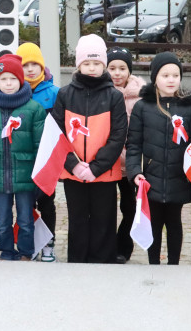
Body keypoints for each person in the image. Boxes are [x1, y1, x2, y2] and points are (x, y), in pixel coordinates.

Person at [126, 52, 191, 265]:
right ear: (155, 78)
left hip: (178, 178)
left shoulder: (189, 109)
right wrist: (135, 172)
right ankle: (154, 264)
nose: (171, 80)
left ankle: (174, 265)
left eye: (175, 75)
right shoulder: (142, 107)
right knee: (153, 223)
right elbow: (133, 144)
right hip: (150, 178)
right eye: (165, 75)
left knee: (174, 222)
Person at [52, 34, 127, 264]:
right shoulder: (65, 94)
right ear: (78, 65)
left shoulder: (114, 96)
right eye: (87, 63)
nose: (92, 68)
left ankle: (103, 261)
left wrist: (96, 167)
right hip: (74, 174)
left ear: (103, 64)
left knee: (103, 219)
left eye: (96, 63)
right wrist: (74, 166)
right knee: (77, 219)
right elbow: (57, 134)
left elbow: (118, 135)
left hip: (103, 174)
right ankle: (77, 261)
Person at [0, 54, 46, 261]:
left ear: (21, 80)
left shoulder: (34, 109)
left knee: (25, 219)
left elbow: (40, 145)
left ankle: (25, 251)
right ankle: (6, 251)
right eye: (4, 79)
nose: (8, 83)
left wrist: (39, 177)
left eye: (13, 79)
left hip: (26, 177)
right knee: (3, 220)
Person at [18, 41, 59, 262]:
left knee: (46, 203)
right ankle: (30, 243)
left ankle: (49, 245)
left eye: (35, 64)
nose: (31, 69)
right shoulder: (13, 90)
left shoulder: (54, 93)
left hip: (45, 162)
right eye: (25, 64)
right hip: (22, 159)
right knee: (25, 205)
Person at [106, 46, 144, 264]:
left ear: (129, 71)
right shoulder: (102, 92)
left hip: (130, 162)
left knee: (130, 207)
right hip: (108, 162)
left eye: (122, 68)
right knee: (106, 208)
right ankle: (107, 246)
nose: (117, 73)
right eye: (112, 68)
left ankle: (123, 247)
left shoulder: (140, 96)